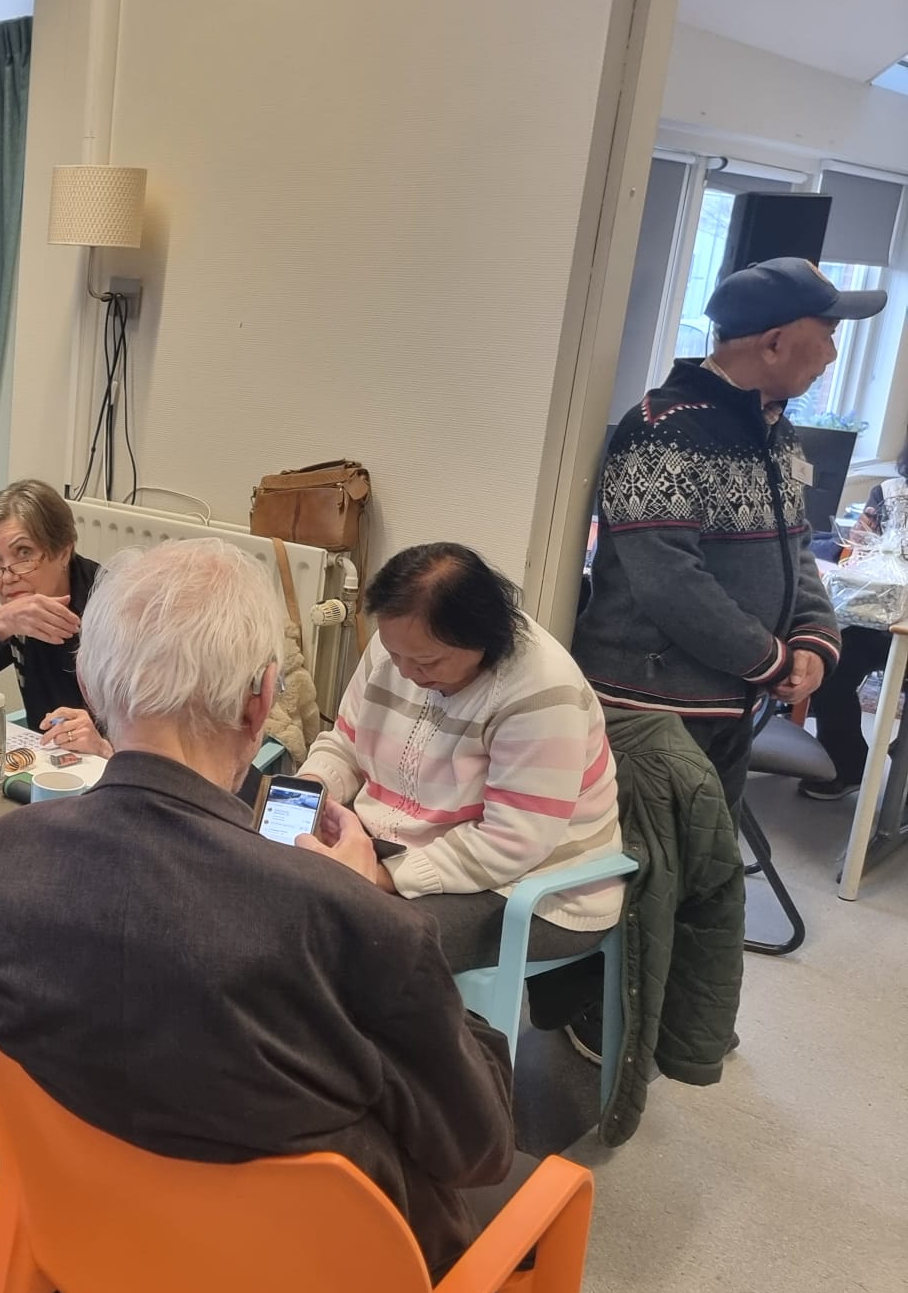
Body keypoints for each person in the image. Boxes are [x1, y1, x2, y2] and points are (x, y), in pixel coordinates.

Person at [0, 539, 520, 1293]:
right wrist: (368, 901)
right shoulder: (353, 924)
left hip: (110, 1255)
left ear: (93, 691)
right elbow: (479, 1148)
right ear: (259, 705)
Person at [573, 256, 882, 816]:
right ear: (774, 342)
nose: (833, 356)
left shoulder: (775, 430)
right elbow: (670, 582)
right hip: (654, 710)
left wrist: (814, 639)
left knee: (708, 863)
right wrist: (772, 660)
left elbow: (798, 546)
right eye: (828, 335)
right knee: (649, 865)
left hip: (730, 702)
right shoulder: (662, 431)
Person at [301, 543, 624, 974]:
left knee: (363, 941)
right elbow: (346, 742)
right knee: (277, 895)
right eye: (395, 655)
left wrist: (382, 876)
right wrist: (310, 792)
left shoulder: (539, 691)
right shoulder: (398, 645)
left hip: (531, 886)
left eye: (427, 662)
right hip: (404, 848)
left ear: (481, 637)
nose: (405, 672)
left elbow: (509, 843)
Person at [0, 479, 111, 755]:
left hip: (112, 768)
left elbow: (166, 742)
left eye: (24, 554)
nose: (8, 577)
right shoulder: (17, 613)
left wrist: (104, 745)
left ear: (64, 552)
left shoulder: (116, 610)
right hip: (50, 761)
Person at [801, 464, 908, 799]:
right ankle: (846, 766)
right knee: (831, 659)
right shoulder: (889, 492)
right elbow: (859, 553)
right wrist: (860, 542)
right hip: (883, 615)